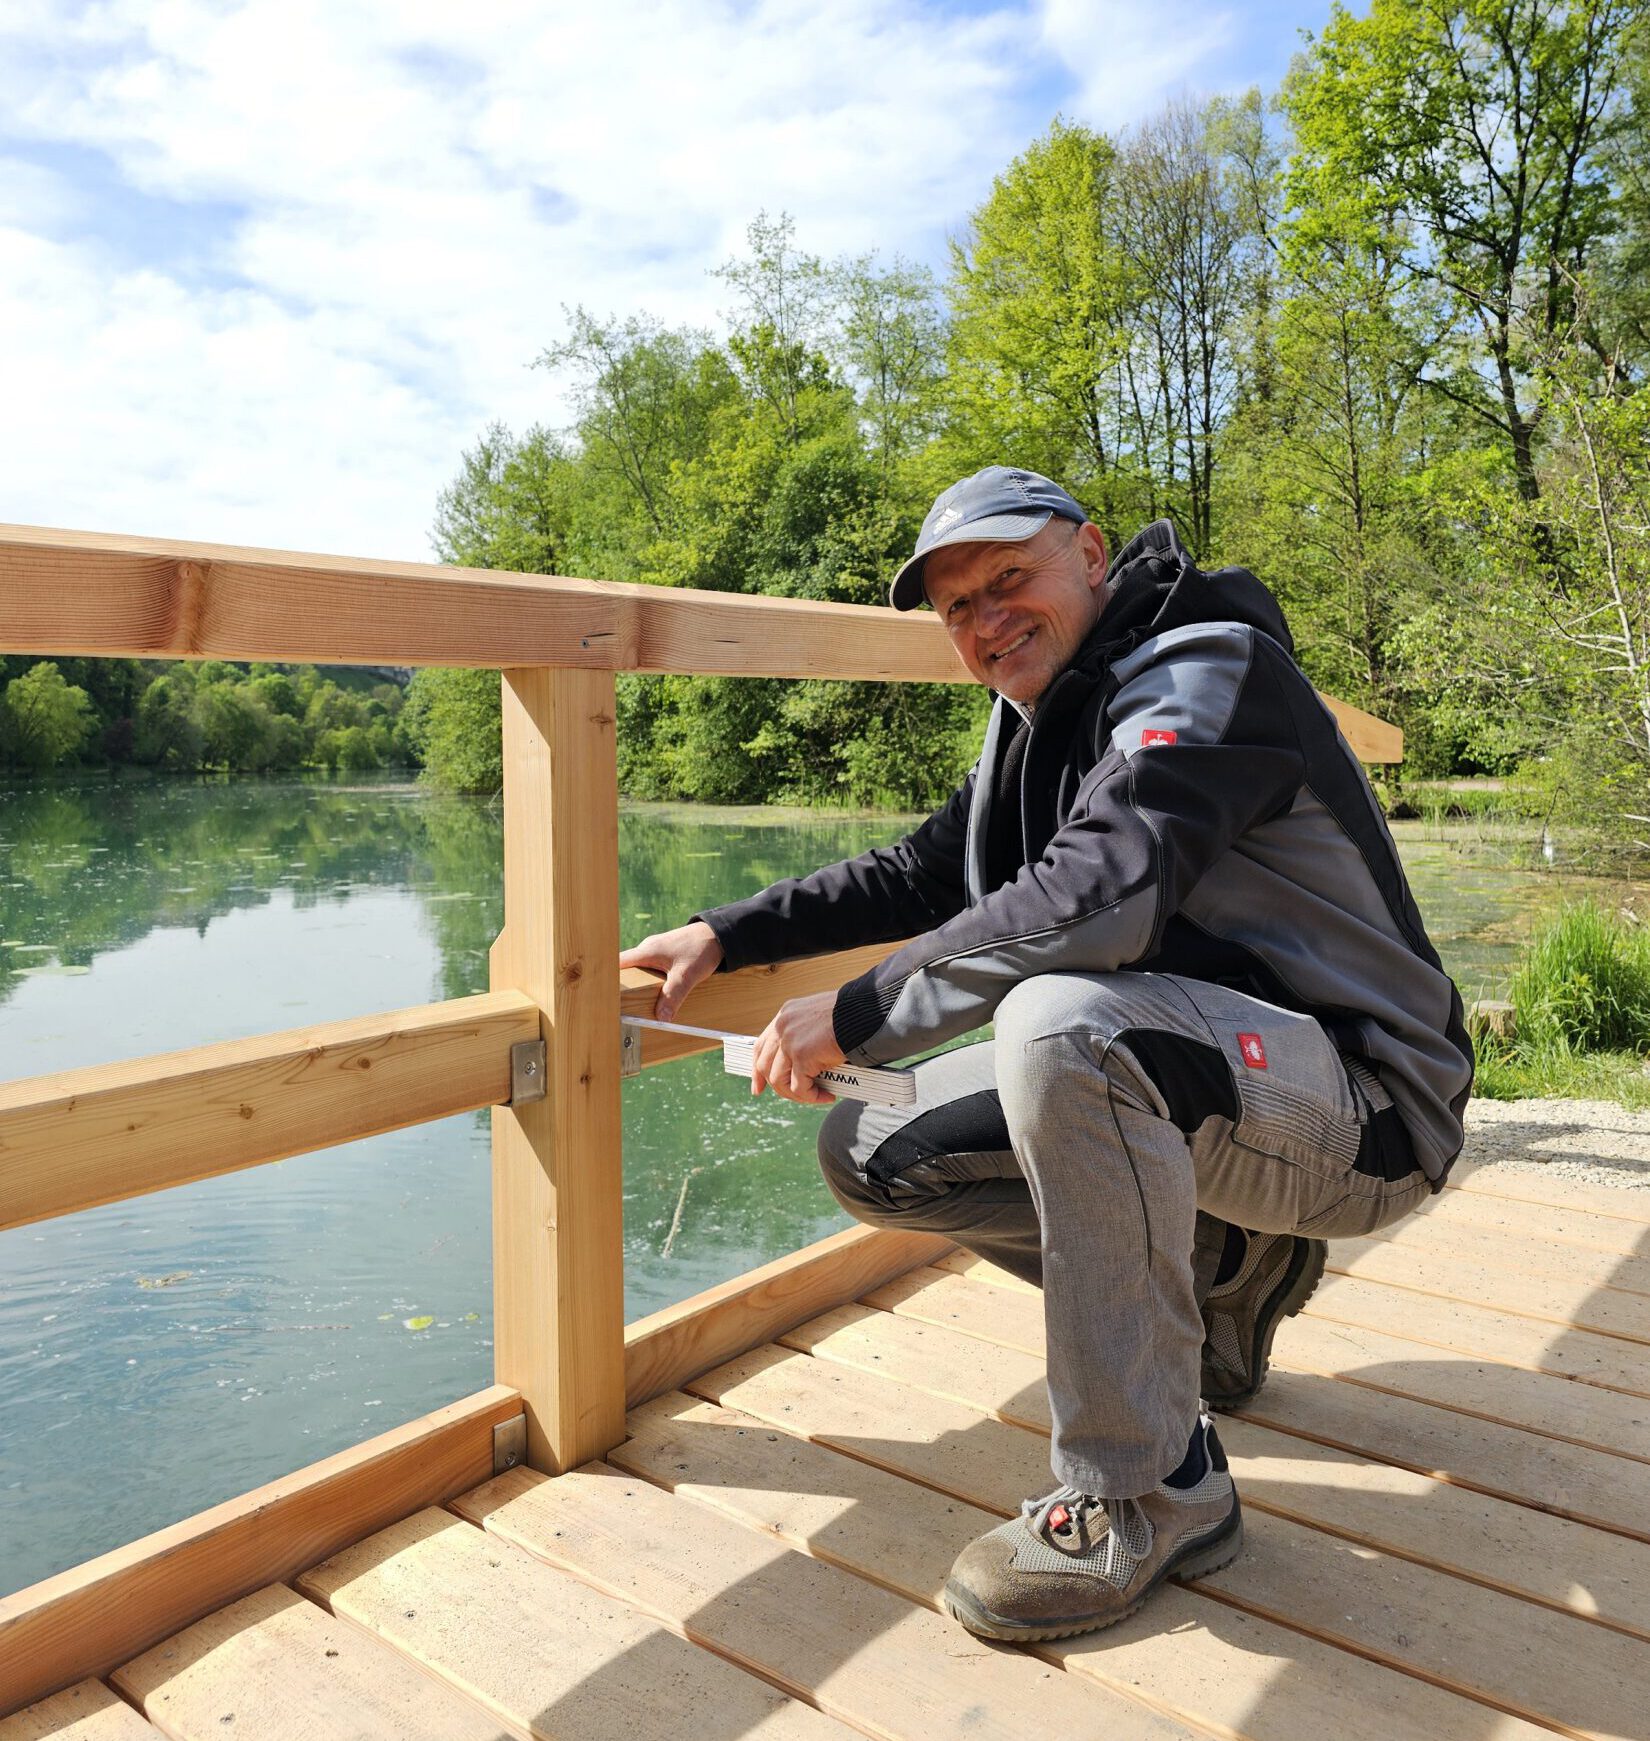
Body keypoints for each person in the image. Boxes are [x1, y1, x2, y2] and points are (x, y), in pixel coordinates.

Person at [621, 464, 1473, 1643]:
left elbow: (1098, 898)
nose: (985, 619)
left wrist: (857, 1011)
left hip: (1369, 1106)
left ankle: (1150, 1488)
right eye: (958, 606)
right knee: (877, 1144)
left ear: (1092, 553)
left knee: (1060, 1022)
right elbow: (924, 869)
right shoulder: (1042, 719)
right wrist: (734, 930)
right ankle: (1229, 1273)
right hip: (1214, 1087)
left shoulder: (1207, 671)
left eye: (1008, 577)